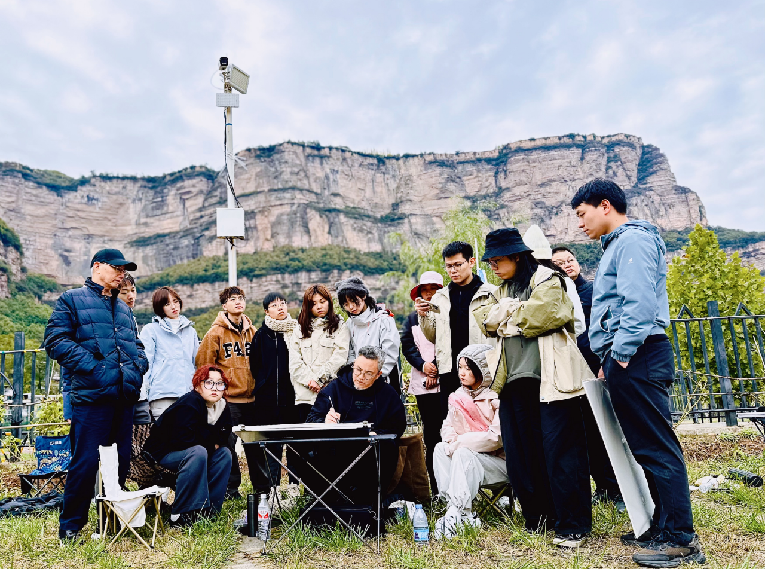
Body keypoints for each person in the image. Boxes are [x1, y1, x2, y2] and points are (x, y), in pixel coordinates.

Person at [571, 179, 704, 566]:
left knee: (657, 446)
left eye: (582, 214)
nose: (580, 224)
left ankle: (681, 538)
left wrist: (623, 353)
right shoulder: (619, 244)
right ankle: (664, 526)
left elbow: (639, 303)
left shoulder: (631, 241)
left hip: (639, 353)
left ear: (605, 205)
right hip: (631, 355)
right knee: (645, 446)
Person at [474, 228, 592, 547]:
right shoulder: (497, 290)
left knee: (561, 453)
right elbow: (484, 319)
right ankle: (540, 520)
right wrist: (513, 315)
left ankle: (573, 524)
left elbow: (547, 314)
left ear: (516, 256)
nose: (494, 267)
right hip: (512, 383)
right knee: (522, 456)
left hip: (552, 380)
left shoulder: (547, 278)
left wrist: (509, 316)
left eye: (498, 260)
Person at [43, 248, 148, 541]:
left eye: (124, 270)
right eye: (116, 268)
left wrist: (138, 367)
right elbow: (55, 341)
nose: (121, 274)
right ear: (97, 266)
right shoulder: (72, 300)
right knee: (85, 462)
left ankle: (112, 522)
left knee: (122, 461)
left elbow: (136, 346)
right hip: (91, 399)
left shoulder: (124, 309)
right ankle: (71, 527)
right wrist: (95, 368)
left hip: (123, 398)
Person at [552, 244, 623, 509]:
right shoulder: (555, 294)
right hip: (571, 368)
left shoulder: (593, 290)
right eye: (559, 263)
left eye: (570, 260)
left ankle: (616, 487)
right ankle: (603, 486)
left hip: (596, 365)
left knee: (606, 427)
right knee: (585, 431)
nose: (567, 265)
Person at [306, 346, 407, 507]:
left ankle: (369, 502)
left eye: (368, 374)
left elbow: (397, 427)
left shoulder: (388, 395)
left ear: (378, 374)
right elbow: (311, 420)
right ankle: (327, 501)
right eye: (358, 370)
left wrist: (377, 434)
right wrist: (325, 421)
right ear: (353, 364)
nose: (361, 376)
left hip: (370, 456)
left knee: (386, 446)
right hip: (334, 453)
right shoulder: (334, 389)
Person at [432, 344, 508, 539]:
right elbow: (447, 427)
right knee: (440, 449)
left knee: (462, 453)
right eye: (460, 367)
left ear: (482, 370)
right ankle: (455, 511)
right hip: (467, 459)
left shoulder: (496, 397)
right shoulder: (458, 397)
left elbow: (495, 438)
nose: (462, 373)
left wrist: (460, 443)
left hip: (499, 463)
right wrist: (453, 442)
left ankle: (459, 513)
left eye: (468, 368)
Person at [142, 365, 232, 527]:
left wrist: (208, 440)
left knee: (224, 454)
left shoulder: (222, 407)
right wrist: (211, 441)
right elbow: (182, 439)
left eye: (220, 384)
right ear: (198, 385)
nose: (215, 388)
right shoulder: (190, 402)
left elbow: (224, 436)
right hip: (163, 454)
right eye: (209, 383)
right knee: (197, 452)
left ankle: (210, 511)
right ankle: (182, 513)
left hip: (193, 452)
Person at [415, 241, 496, 419]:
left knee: (483, 419)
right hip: (450, 370)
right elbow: (432, 336)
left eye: (458, 264)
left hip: (481, 370)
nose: (453, 270)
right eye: (449, 266)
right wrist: (423, 316)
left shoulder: (490, 293)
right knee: (452, 420)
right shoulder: (440, 297)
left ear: (471, 262)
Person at [195, 286, 256, 499]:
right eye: (233, 299)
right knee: (228, 443)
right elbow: (203, 365)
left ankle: (261, 487)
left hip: (253, 398)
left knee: (255, 444)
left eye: (241, 298)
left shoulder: (252, 331)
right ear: (224, 305)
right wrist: (217, 392)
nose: (238, 302)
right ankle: (231, 490)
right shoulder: (215, 333)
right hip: (229, 399)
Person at [248, 291, 299, 492]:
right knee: (272, 447)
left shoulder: (297, 331)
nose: (280, 307)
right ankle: (274, 489)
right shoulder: (261, 335)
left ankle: (294, 486)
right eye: (275, 305)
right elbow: (255, 365)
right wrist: (263, 384)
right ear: (266, 310)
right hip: (267, 401)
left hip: (293, 398)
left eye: (283, 303)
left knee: (294, 446)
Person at [400, 271, 443, 493]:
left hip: (446, 380)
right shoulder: (411, 319)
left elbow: (449, 344)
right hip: (422, 383)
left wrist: (436, 367)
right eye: (425, 290)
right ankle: (435, 487)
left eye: (433, 290)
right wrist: (423, 366)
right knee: (432, 432)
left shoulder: (447, 314)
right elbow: (407, 346)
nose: (429, 294)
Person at [288, 284, 350, 423]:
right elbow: (294, 362)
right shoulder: (299, 329)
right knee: (306, 441)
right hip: (304, 396)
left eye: (322, 302)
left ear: (329, 302)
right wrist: (311, 381)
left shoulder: (339, 326)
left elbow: (340, 357)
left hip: (330, 394)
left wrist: (319, 380)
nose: (319, 307)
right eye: (313, 303)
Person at [140, 287, 199, 420]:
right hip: (162, 395)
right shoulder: (150, 330)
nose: (173, 306)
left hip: (187, 394)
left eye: (176, 301)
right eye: (167, 303)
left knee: (186, 437)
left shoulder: (191, 331)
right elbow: (145, 365)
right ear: (160, 307)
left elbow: (196, 363)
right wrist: (143, 397)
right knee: (166, 438)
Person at [336, 276, 402, 394]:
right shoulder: (349, 324)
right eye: (346, 304)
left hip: (382, 379)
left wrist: (374, 377)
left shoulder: (383, 319)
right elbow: (350, 353)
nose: (351, 307)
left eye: (354, 301)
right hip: (360, 382)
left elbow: (390, 351)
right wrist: (356, 377)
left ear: (364, 296)